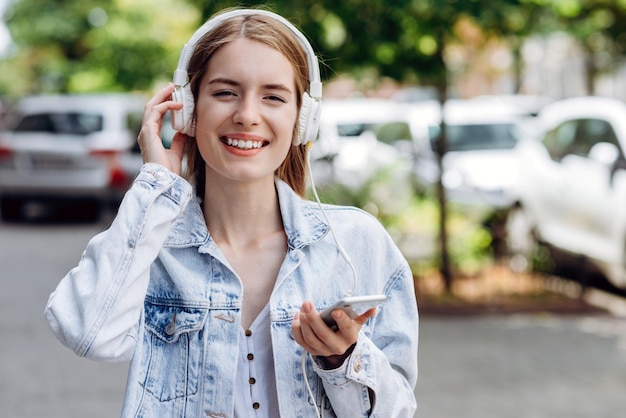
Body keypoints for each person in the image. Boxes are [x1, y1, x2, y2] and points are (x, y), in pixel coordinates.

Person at [45, 7, 418, 418]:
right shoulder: (151, 243)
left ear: (302, 120)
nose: (246, 115)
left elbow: (396, 411)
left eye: (273, 97)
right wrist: (156, 185)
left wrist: (343, 361)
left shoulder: (356, 243)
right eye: (225, 92)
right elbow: (86, 334)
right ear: (187, 109)